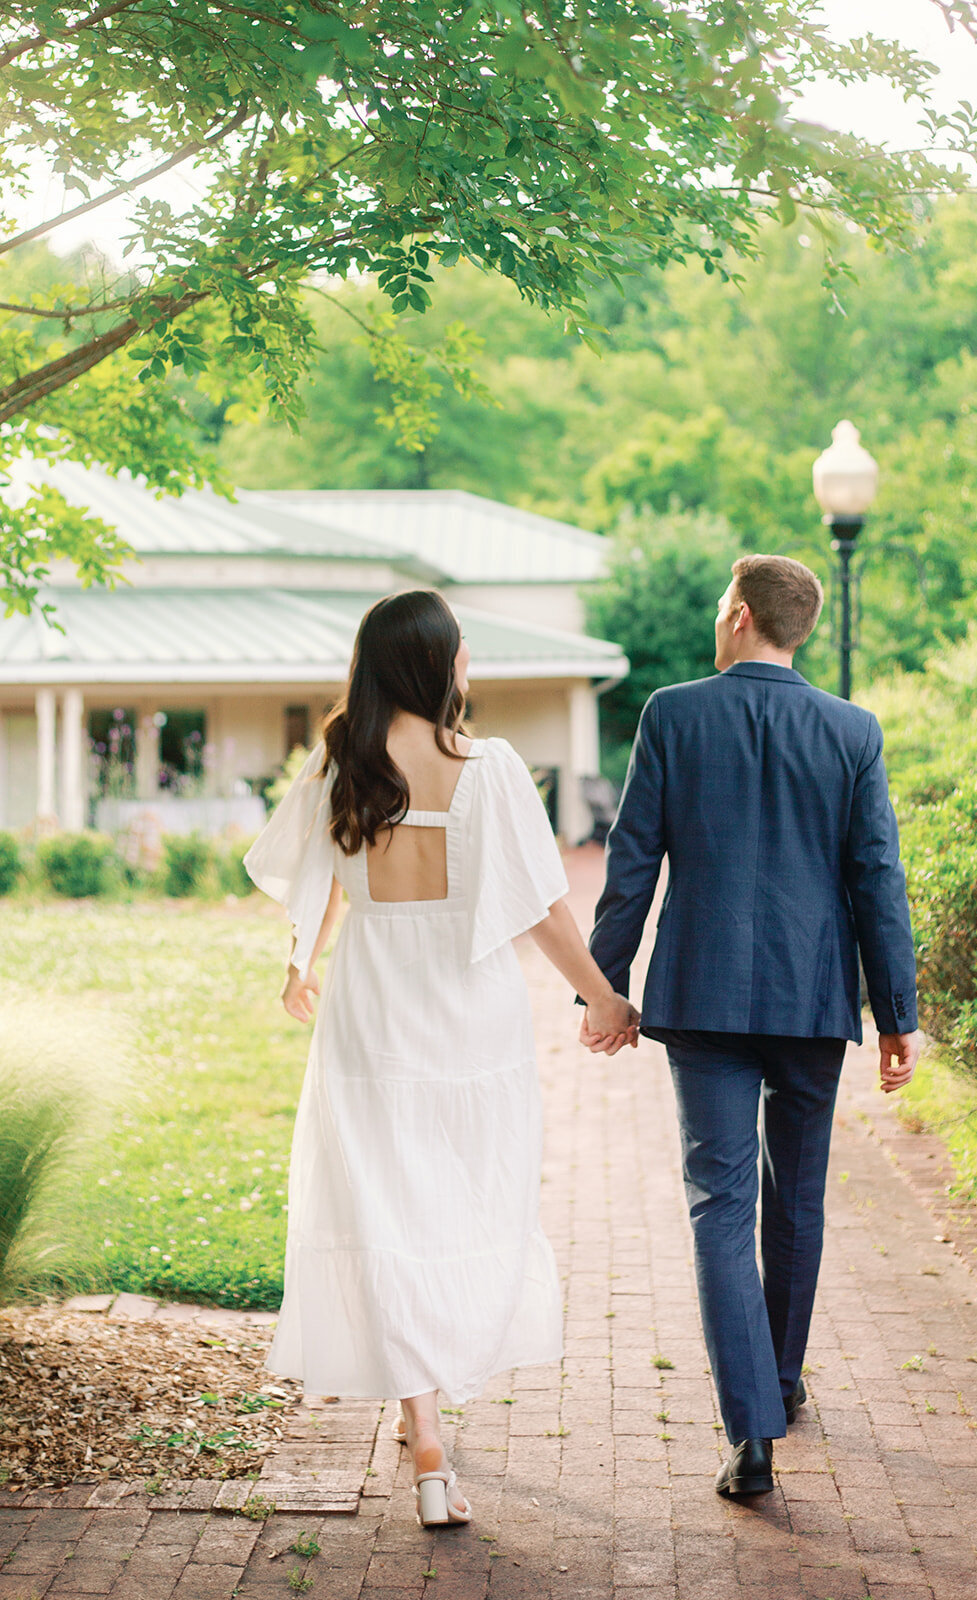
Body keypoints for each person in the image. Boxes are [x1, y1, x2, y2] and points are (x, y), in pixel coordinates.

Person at [246, 590, 638, 1528]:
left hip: (372, 1005)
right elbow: (541, 908)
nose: (469, 662)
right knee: (458, 1203)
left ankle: (423, 1437)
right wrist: (601, 996)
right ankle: (427, 1428)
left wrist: (302, 960)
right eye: (461, 649)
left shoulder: (342, 760)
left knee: (388, 1207)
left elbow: (318, 878)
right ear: (434, 663)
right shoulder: (489, 768)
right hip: (468, 1013)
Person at [582, 554, 920, 1498]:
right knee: (797, 1198)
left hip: (706, 995)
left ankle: (752, 1434)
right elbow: (876, 876)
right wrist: (898, 1013)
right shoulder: (852, 729)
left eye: (720, 607)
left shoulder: (673, 715)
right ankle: (778, 1380)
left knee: (720, 1207)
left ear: (739, 615)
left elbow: (632, 859)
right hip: (811, 998)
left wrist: (605, 987)